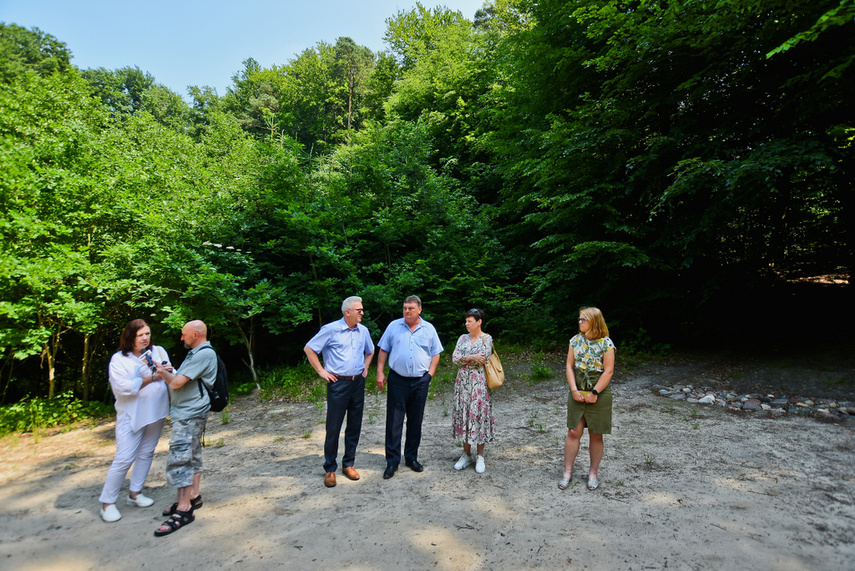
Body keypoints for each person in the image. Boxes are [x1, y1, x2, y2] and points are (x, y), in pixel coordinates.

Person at [98, 319, 172, 523]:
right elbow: (122, 388)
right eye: (141, 335)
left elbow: (168, 373)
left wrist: (166, 371)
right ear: (131, 337)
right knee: (124, 458)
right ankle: (107, 503)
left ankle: (135, 493)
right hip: (132, 415)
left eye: (147, 333)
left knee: (147, 452)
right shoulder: (119, 359)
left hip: (156, 411)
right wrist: (152, 378)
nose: (145, 338)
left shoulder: (158, 351)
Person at [152, 320, 217, 536]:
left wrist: (162, 373)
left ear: (196, 335)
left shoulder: (203, 354)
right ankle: (193, 496)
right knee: (193, 454)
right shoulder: (195, 353)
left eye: (184, 334)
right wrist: (167, 373)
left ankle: (184, 509)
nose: (182, 338)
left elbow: (177, 382)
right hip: (188, 413)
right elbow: (179, 379)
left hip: (190, 414)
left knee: (181, 458)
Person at [304, 296, 375, 488]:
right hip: (338, 384)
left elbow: (371, 350)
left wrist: (366, 367)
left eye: (362, 309)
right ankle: (330, 468)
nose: (362, 313)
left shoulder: (364, 331)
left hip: (357, 383)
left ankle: (349, 463)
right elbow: (309, 348)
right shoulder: (330, 329)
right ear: (347, 312)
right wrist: (321, 371)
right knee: (333, 427)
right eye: (359, 310)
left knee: (354, 425)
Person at [376, 295, 443, 479]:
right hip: (397, 380)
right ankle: (392, 461)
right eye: (405, 308)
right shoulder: (393, 326)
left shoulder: (428, 329)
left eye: (411, 308)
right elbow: (383, 349)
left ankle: (411, 457)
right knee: (394, 422)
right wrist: (380, 372)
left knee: (415, 421)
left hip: (420, 381)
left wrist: (430, 374)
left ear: (419, 309)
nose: (407, 311)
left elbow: (436, 353)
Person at [559, 307, 616, 491]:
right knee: (574, 432)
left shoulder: (606, 343)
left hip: (599, 390)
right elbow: (569, 365)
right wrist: (574, 389)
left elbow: (608, 371)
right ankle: (567, 473)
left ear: (594, 321)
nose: (580, 322)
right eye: (580, 319)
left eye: (583, 319)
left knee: (596, 434)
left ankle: (593, 474)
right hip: (578, 387)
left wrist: (595, 393)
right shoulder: (575, 340)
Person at [451, 308, 495, 474]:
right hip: (463, 383)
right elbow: (455, 357)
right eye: (466, 321)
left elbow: (482, 359)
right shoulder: (462, 338)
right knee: (464, 415)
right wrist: (470, 357)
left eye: (470, 321)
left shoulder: (486, 338)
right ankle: (466, 454)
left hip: (479, 384)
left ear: (479, 322)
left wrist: (466, 358)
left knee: (478, 416)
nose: (466, 324)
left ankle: (480, 455)